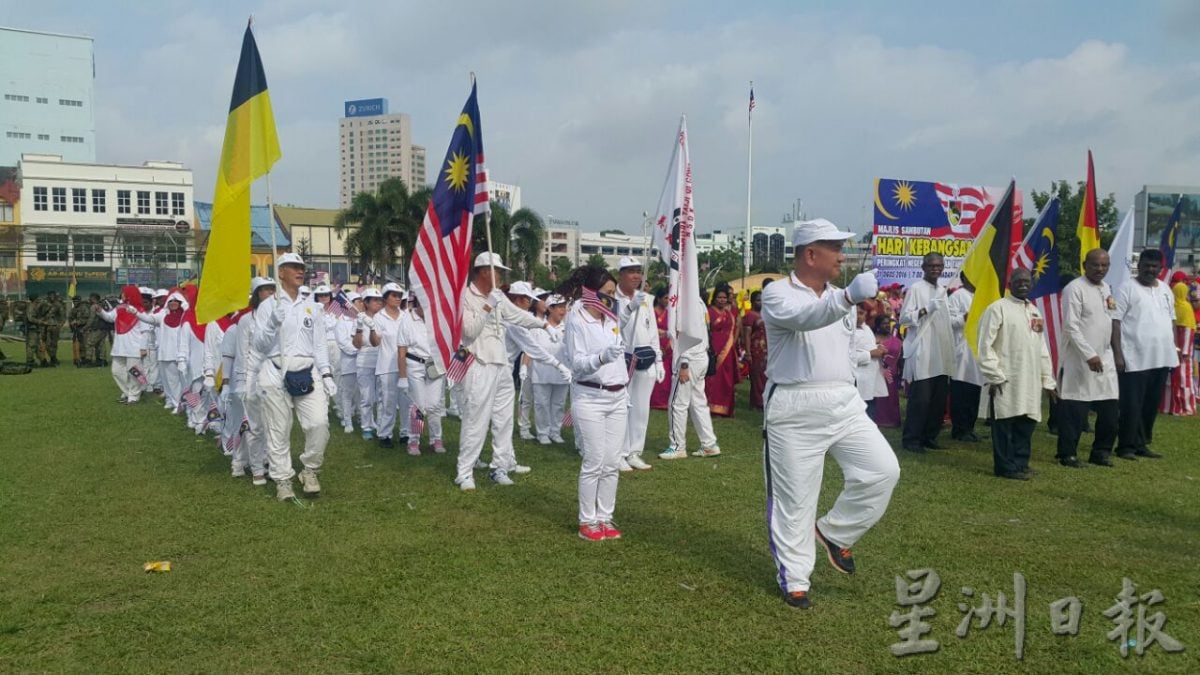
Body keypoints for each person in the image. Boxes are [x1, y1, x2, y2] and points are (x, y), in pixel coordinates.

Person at [760, 217, 899, 609]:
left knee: (883, 471)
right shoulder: (778, 294)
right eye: (834, 248)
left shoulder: (840, 295)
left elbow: (847, 344)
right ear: (810, 254)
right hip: (794, 404)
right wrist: (848, 300)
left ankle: (835, 532)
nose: (841, 255)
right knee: (796, 499)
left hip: (844, 401)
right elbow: (807, 318)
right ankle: (795, 577)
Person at [454, 253, 552, 491]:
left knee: (504, 420)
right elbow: (469, 330)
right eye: (496, 270)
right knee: (476, 420)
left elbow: (516, 315)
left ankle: (500, 467)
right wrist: (488, 305)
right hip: (478, 363)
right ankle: (464, 472)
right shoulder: (466, 296)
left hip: (501, 365)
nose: (500, 275)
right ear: (483, 271)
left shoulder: (497, 296)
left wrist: (544, 324)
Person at [252, 253, 336, 501]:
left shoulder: (311, 305)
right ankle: (283, 479)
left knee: (319, 424)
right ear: (281, 272)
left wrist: (327, 372)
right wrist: (271, 324)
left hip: (308, 372)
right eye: (293, 267)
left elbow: (319, 343)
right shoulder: (269, 306)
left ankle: (309, 468)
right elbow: (259, 344)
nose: (300, 271)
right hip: (276, 372)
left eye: (301, 267)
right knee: (278, 430)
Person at [562, 265, 629, 541]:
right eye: (607, 293)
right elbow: (576, 364)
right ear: (591, 293)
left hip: (617, 395)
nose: (612, 298)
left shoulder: (612, 317)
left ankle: (605, 516)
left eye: (613, 293)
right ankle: (587, 520)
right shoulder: (576, 319)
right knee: (594, 460)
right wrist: (601, 357)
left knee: (612, 461)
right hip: (590, 395)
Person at [976, 269, 1057, 480]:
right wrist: (995, 375)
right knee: (1004, 423)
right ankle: (1004, 467)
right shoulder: (997, 309)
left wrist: (1047, 380)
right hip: (1005, 378)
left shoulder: (1034, 312)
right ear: (1010, 284)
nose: (1023, 284)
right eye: (1018, 281)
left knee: (1026, 421)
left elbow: (1041, 348)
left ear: (1031, 284)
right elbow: (985, 346)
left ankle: (1020, 462)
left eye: (1026, 281)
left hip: (1029, 378)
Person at [1112, 249, 1178, 460]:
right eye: (1146, 265)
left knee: (1151, 404)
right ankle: (1125, 446)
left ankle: (1141, 443)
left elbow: (1172, 320)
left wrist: (1173, 348)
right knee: (1132, 405)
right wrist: (1118, 355)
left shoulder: (1166, 289)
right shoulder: (1126, 288)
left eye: (1154, 266)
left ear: (1160, 268)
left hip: (1161, 357)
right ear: (1138, 266)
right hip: (1134, 358)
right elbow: (1115, 321)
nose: (1150, 270)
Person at [1057, 249, 1120, 468]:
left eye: (1105, 265)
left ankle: (1101, 452)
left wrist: (1114, 353)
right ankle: (1068, 454)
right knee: (1075, 410)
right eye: (1095, 265)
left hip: (1105, 358)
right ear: (1085, 265)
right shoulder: (1074, 289)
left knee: (1110, 410)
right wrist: (1089, 354)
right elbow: (1071, 326)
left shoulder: (1106, 289)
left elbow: (1111, 321)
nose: (1100, 269)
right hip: (1080, 359)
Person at [899, 253, 955, 452]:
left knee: (938, 400)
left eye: (939, 266)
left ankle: (929, 436)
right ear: (923, 267)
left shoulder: (942, 290)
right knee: (921, 399)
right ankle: (911, 439)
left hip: (940, 351)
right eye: (931, 266)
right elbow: (904, 319)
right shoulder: (916, 289)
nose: (935, 269)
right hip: (922, 350)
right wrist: (926, 309)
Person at [613, 257, 662, 471]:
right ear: (620, 274)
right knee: (623, 407)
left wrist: (658, 359)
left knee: (641, 410)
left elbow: (652, 331)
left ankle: (634, 451)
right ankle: (620, 453)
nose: (636, 276)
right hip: (623, 358)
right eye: (630, 271)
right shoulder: (612, 298)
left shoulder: (647, 299)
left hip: (646, 358)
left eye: (638, 271)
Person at [658, 304, 721, 460]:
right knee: (698, 403)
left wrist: (684, 362)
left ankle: (678, 446)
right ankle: (709, 444)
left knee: (678, 404)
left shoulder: (686, 301)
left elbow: (685, 333)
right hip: (701, 355)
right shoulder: (698, 302)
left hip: (690, 358)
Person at [397, 293, 446, 455]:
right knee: (418, 404)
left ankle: (436, 439)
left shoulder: (437, 319)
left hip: (434, 365)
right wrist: (403, 377)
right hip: (414, 364)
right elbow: (402, 350)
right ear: (417, 304)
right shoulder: (407, 320)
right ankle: (414, 440)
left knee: (434, 404)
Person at [371, 282, 411, 449]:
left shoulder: (406, 316)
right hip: (387, 366)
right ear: (386, 298)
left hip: (406, 365)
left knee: (407, 402)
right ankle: (385, 434)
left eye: (399, 295)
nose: (397, 298)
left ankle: (406, 433)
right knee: (388, 402)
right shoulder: (379, 317)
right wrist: (372, 330)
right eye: (393, 295)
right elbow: (374, 343)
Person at [95, 286, 149, 404]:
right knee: (116, 371)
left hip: (134, 347)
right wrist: (100, 311)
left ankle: (134, 396)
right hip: (119, 346)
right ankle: (128, 391)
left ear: (130, 295)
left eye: (124, 294)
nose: (122, 295)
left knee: (134, 371)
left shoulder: (139, 310)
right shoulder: (119, 308)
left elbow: (145, 331)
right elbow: (110, 318)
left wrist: (143, 348)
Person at [947, 274, 984, 442]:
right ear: (965, 278)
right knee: (961, 391)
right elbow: (948, 321)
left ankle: (970, 427)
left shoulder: (981, 296)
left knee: (974, 391)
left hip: (977, 350)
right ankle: (959, 429)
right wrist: (964, 318)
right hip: (962, 351)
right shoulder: (957, 296)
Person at [530, 294, 570, 444]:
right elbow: (531, 348)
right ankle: (542, 432)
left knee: (559, 404)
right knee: (542, 404)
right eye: (559, 307)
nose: (562, 310)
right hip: (541, 372)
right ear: (550, 309)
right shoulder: (538, 326)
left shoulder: (567, 327)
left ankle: (555, 431)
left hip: (562, 372)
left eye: (564, 307)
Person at [1161, 271, 1196, 416]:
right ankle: (1184, 407)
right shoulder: (1186, 308)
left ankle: (1168, 407)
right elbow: (1188, 330)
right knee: (1183, 379)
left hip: (1171, 350)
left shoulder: (1171, 306)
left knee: (1170, 379)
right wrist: (1186, 351)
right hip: (1183, 352)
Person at [704, 284, 740, 417]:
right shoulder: (709, 312)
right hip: (713, 350)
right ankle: (710, 407)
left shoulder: (730, 314)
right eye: (719, 297)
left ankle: (725, 408)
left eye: (724, 298)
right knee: (712, 379)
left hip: (728, 352)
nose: (722, 300)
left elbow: (734, 330)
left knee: (727, 380)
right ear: (714, 298)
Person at [353, 288, 384, 440]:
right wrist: (359, 326)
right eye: (374, 300)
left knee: (382, 397)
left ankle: (380, 425)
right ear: (366, 302)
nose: (378, 303)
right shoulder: (359, 318)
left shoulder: (383, 318)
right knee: (367, 397)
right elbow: (357, 345)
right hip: (365, 360)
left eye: (380, 300)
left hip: (382, 360)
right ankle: (366, 426)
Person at [333, 291, 362, 433]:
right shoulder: (341, 322)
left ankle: (363, 417)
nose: (361, 304)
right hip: (349, 362)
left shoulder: (362, 319)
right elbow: (344, 344)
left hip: (363, 363)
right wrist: (359, 350)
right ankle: (347, 420)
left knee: (362, 393)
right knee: (347, 393)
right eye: (358, 301)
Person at [853, 302, 888, 416]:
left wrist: (879, 348)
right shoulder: (848, 331)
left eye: (862, 313)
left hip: (871, 378)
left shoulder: (867, 328)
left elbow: (870, 346)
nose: (859, 316)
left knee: (871, 410)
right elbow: (846, 357)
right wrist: (870, 354)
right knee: (860, 413)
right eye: (856, 313)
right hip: (857, 379)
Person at [870, 315, 902, 428]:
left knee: (891, 396)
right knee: (878, 396)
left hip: (891, 374)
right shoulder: (871, 339)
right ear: (878, 326)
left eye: (888, 324)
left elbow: (900, 358)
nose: (887, 326)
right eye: (884, 323)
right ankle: (878, 419)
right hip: (876, 372)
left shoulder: (896, 340)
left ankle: (892, 419)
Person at [742, 290, 768, 410]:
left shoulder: (765, 314)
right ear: (752, 301)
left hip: (766, 350)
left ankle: (762, 401)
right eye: (758, 300)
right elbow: (746, 335)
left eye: (762, 300)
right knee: (757, 377)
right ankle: (757, 403)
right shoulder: (750, 316)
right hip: (755, 350)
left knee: (765, 376)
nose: (761, 302)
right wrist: (747, 353)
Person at [649, 288, 673, 410]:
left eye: (669, 298)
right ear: (658, 299)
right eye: (665, 298)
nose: (667, 300)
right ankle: (654, 400)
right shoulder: (651, 312)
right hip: (654, 345)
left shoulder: (670, 314)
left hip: (668, 347)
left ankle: (664, 400)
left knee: (666, 374)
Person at [42, 290, 65, 366]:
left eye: (53, 295)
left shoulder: (58, 304)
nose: (51, 297)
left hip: (55, 326)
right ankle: (51, 356)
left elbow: (62, 316)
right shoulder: (44, 304)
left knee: (54, 343)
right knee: (47, 343)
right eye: (50, 295)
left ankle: (53, 357)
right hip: (45, 326)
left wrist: (60, 325)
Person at [69, 296, 91, 366]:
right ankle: (78, 358)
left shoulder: (84, 308)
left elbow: (87, 319)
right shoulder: (73, 310)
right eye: (74, 301)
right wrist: (72, 324)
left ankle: (86, 358)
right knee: (77, 344)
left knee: (85, 344)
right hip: (76, 329)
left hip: (84, 328)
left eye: (76, 301)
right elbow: (70, 318)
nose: (75, 303)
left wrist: (78, 322)